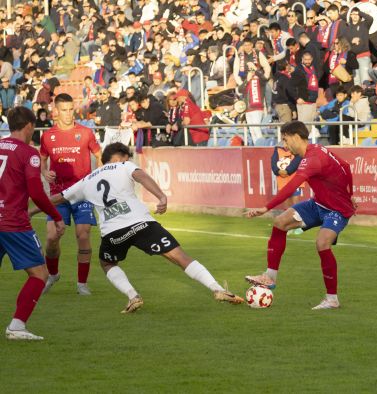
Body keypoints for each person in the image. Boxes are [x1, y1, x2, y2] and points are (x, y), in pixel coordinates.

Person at [32, 143, 243, 313]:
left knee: (107, 263)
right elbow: (140, 175)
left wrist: (31, 211)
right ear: (120, 157)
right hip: (141, 224)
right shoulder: (124, 166)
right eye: (127, 157)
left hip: (113, 233)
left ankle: (133, 296)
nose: (129, 160)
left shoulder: (86, 181)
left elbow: (58, 198)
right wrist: (161, 196)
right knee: (180, 256)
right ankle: (217, 289)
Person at [246, 120, 355, 310]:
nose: (285, 146)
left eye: (286, 140)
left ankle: (332, 299)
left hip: (337, 209)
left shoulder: (312, 159)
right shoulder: (315, 150)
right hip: (318, 203)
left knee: (322, 243)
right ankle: (269, 277)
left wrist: (266, 207)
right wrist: (351, 193)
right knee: (280, 222)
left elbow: (292, 186)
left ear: (296, 137)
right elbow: (345, 166)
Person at [1, 107, 66, 340]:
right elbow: (37, 194)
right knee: (39, 273)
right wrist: (57, 216)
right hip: (13, 223)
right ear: (29, 125)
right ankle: (17, 327)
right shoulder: (29, 153)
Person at [39, 93, 102, 295]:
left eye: (70, 109)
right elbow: (42, 157)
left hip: (82, 193)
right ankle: (53, 274)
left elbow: (99, 156)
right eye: (64, 110)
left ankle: (82, 284)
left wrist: (98, 174)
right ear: (55, 111)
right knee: (51, 238)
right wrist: (44, 171)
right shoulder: (48, 136)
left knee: (82, 235)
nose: (68, 114)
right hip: (58, 194)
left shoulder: (85, 132)